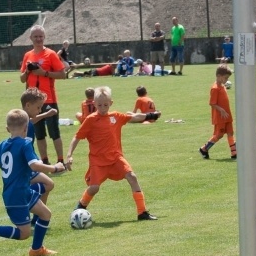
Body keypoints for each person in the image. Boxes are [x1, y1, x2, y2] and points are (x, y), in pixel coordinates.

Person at [0, 108, 67, 256]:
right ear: (26, 127)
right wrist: (54, 168)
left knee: (45, 214)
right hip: (16, 195)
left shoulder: (2, 145)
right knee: (24, 233)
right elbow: (34, 166)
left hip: (22, 191)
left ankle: (36, 249)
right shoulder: (25, 144)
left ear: (7, 129)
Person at [66, 86, 159, 221]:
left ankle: (142, 212)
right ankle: (81, 206)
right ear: (94, 104)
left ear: (111, 103)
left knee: (132, 176)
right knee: (94, 188)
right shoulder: (91, 119)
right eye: (99, 105)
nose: (102, 108)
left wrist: (151, 115)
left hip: (116, 158)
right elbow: (77, 137)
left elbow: (133, 117)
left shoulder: (116, 116)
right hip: (98, 160)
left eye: (105, 104)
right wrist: (69, 155)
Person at [20, 25, 67, 165]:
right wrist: (28, 71)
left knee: (54, 132)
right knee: (38, 133)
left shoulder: (51, 54)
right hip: (32, 102)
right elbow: (22, 79)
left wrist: (44, 73)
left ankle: (60, 161)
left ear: (44, 37)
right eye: (36, 36)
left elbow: (63, 74)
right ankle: (45, 161)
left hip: (49, 99)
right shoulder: (27, 55)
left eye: (41, 36)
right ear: (31, 38)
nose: (38, 39)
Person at [21, 88, 59, 225]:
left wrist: (45, 114)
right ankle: (26, 198)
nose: (39, 110)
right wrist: (47, 114)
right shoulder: (22, 120)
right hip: (26, 162)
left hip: (31, 158)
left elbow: (33, 120)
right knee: (48, 184)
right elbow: (30, 121)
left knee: (47, 184)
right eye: (38, 107)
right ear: (28, 105)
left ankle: (38, 216)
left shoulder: (25, 118)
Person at [198, 65, 237, 159]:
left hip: (227, 115)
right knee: (219, 135)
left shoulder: (222, 86)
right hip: (220, 117)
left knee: (230, 133)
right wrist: (221, 110)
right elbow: (212, 103)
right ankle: (204, 149)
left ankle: (234, 153)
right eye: (225, 78)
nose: (226, 80)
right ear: (219, 76)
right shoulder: (215, 88)